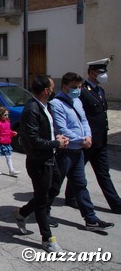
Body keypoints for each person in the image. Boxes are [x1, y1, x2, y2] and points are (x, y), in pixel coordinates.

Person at [49, 72, 114, 231]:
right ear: (64, 87)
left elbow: (84, 121)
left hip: (78, 151)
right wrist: (81, 139)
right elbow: (61, 128)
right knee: (53, 187)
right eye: (74, 87)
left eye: (79, 87)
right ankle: (42, 212)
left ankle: (90, 219)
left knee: (80, 185)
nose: (78, 90)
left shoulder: (77, 101)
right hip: (65, 152)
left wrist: (88, 136)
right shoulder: (56, 104)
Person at [12, 75, 69, 253]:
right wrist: (56, 144)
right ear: (46, 91)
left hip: (50, 158)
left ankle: (22, 213)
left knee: (53, 190)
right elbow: (34, 140)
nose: (54, 90)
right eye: (52, 87)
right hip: (39, 161)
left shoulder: (44, 106)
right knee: (43, 200)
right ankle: (47, 239)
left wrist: (56, 138)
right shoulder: (31, 109)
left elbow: (46, 132)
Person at [64, 58, 121, 214]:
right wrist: (80, 136)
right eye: (101, 72)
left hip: (100, 141)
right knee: (77, 170)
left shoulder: (100, 91)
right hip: (86, 141)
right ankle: (70, 197)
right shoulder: (82, 91)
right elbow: (78, 115)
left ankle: (116, 204)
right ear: (92, 72)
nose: (104, 75)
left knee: (103, 173)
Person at [0, 106, 20, 176]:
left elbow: (8, 131)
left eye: (7, 115)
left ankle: (11, 170)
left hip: (6, 142)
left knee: (8, 156)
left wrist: (12, 133)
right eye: (5, 115)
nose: (7, 116)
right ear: (0, 115)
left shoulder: (7, 123)